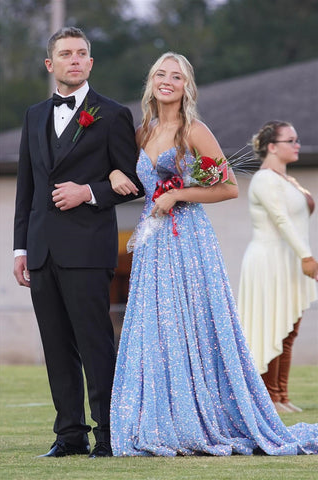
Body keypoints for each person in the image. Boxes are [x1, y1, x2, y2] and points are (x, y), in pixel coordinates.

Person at [108, 53, 318, 456]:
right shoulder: (142, 132)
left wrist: (179, 193)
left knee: (193, 321)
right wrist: (118, 174)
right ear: (151, 82)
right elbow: (133, 183)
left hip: (188, 239)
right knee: (157, 326)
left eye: (176, 76)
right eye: (160, 75)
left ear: (186, 86)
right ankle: (160, 418)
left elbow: (228, 187)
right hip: (153, 244)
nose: (167, 81)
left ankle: (205, 417)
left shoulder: (195, 130)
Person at [13, 26, 143, 458]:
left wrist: (87, 192)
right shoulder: (33, 115)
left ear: (90, 63)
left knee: (95, 345)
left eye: (81, 53)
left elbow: (136, 183)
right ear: (50, 64)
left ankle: (108, 435)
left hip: (87, 249)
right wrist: (20, 248)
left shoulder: (112, 114)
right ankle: (69, 435)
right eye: (65, 53)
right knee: (56, 347)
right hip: (42, 249)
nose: (74, 59)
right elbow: (26, 188)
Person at [238, 120, 318, 414]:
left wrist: (301, 257)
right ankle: (268, 396)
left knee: (289, 331)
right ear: (272, 147)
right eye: (291, 140)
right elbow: (281, 220)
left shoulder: (288, 180)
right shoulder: (264, 180)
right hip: (268, 260)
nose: (297, 145)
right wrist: (307, 256)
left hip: (289, 261)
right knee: (271, 327)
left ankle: (282, 395)